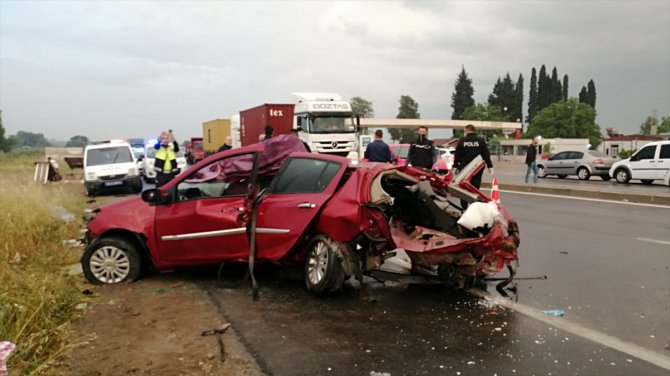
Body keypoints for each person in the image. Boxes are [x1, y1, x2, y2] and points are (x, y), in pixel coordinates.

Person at [454, 124, 494, 206]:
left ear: (467, 131)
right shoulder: (481, 141)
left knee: (463, 189)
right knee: (475, 189)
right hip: (477, 169)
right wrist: (490, 166)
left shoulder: (462, 141)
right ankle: (474, 206)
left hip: (464, 169)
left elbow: (457, 155)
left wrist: (456, 166)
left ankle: (464, 208)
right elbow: (486, 154)